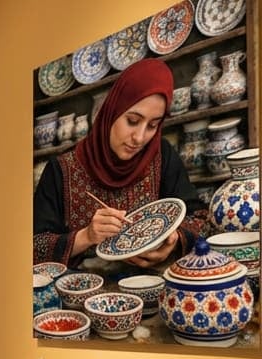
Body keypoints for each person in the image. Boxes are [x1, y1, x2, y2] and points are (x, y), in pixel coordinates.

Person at [34, 58, 205, 270]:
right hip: (84, 286)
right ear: (113, 111)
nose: (139, 138)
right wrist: (86, 236)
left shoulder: (161, 155)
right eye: (132, 121)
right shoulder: (62, 168)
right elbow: (34, 248)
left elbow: (200, 219)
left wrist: (174, 240)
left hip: (149, 281)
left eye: (152, 125)